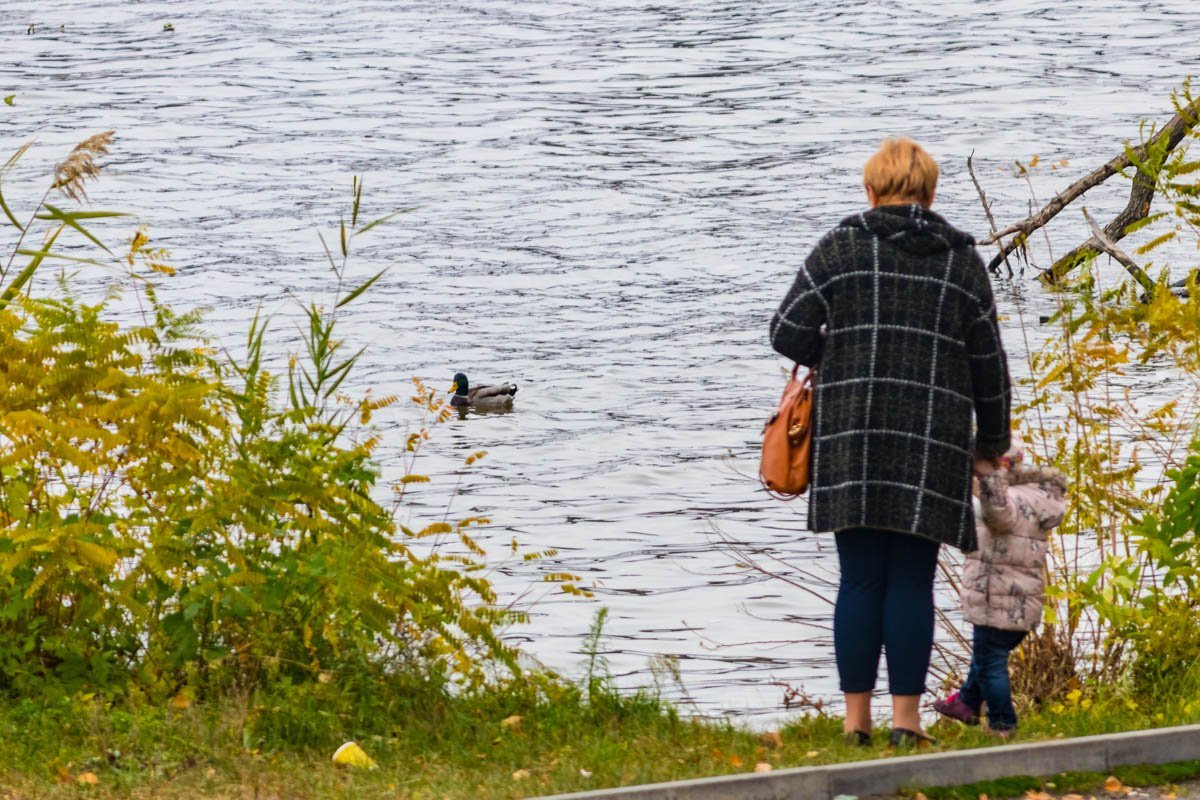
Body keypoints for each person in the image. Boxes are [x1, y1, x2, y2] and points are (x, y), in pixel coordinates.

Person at [769, 138, 1011, 748]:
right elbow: (989, 364)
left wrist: (841, 356)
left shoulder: (842, 247)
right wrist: (993, 442)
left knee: (859, 581)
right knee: (911, 580)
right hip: (933, 435)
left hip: (852, 432)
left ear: (871, 191)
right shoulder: (959, 260)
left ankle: (855, 724)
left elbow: (787, 329)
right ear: (930, 194)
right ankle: (907, 722)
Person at [933, 438, 1067, 737]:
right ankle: (966, 702)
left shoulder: (1003, 500)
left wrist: (983, 474)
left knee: (991, 663)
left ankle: (1002, 723)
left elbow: (998, 513)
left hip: (997, 599)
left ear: (994, 468)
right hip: (1022, 601)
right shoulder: (1035, 495)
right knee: (987, 657)